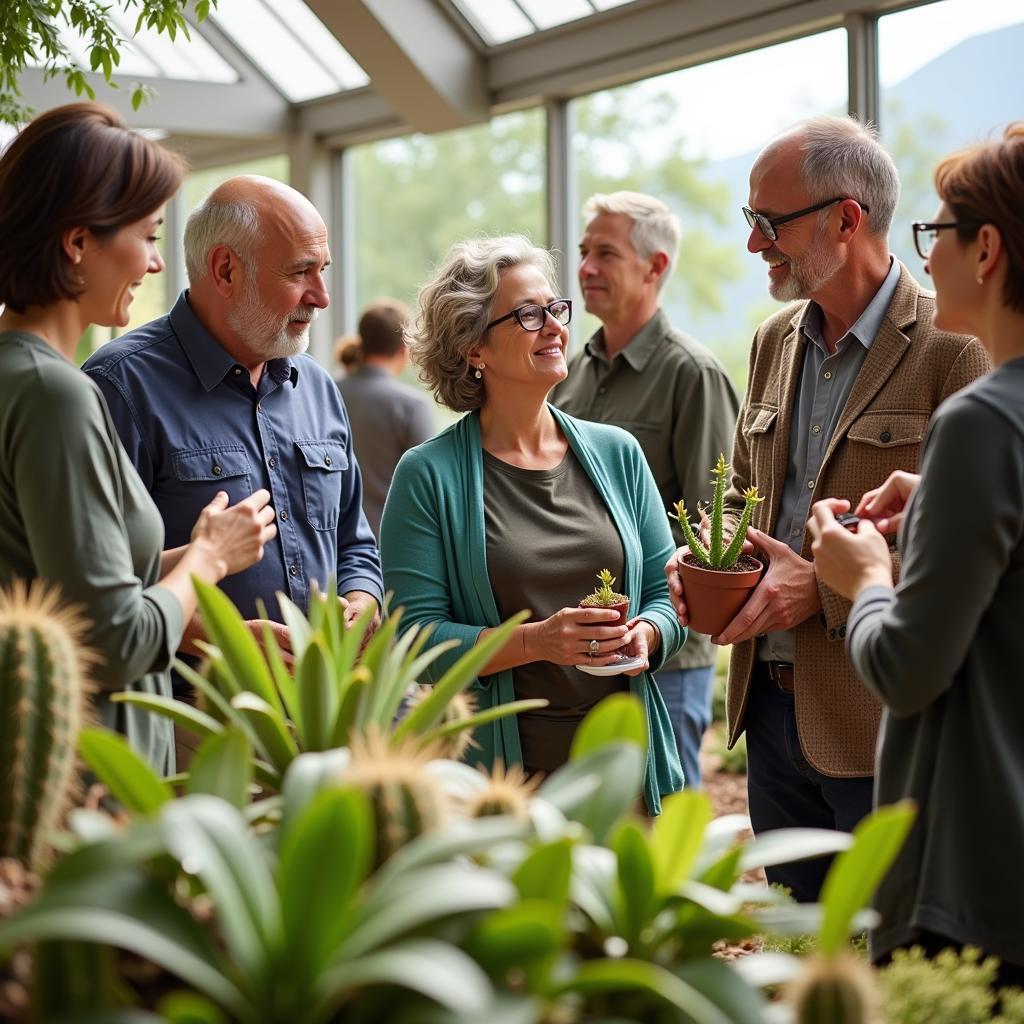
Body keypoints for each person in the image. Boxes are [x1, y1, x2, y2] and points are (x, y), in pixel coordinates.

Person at [664, 115, 989, 900]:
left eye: (769, 224)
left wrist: (824, 584)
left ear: (846, 220)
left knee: (886, 973)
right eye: (752, 222)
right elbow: (748, 494)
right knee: (808, 969)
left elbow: (978, 552)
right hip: (770, 721)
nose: (754, 246)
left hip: (882, 729)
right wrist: (714, 553)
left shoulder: (956, 349)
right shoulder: (773, 341)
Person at [808, 123, 1024, 984]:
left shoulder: (979, 423)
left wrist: (861, 581)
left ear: (989, 250)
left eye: (936, 234)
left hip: (972, 875)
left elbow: (904, 668)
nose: (922, 257)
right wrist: (935, 497)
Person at [0, 103, 276, 774]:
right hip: (84, 778)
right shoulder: (53, 394)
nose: (155, 264)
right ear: (77, 244)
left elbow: (55, 575)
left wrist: (190, 560)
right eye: (148, 236)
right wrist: (207, 560)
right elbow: (116, 638)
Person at [380, 235, 684, 813]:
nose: (553, 326)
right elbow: (412, 640)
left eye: (554, 308)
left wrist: (644, 635)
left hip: (627, 775)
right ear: (474, 349)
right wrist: (537, 642)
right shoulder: (427, 475)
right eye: (526, 314)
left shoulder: (617, 452)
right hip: (503, 791)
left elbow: (666, 598)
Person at [83, 175, 384, 668]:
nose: (322, 296)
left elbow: (354, 543)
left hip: (326, 706)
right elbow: (99, 579)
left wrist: (361, 600)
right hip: (193, 716)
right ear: (225, 270)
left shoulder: (318, 388)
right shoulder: (119, 387)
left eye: (323, 270)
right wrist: (225, 643)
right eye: (301, 272)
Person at [552, 191, 738, 789]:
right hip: (577, 647)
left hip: (665, 658)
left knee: (661, 823)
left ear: (655, 267)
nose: (585, 268)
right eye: (584, 253)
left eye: (605, 253)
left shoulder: (693, 374)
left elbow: (717, 524)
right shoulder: (568, 374)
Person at [336, 299, 435, 538]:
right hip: (390, 547)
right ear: (405, 349)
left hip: (332, 546)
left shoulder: (327, 392)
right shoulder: (411, 407)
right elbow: (428, 492)